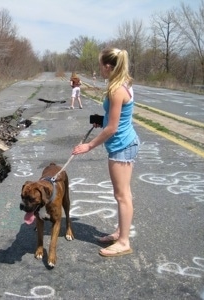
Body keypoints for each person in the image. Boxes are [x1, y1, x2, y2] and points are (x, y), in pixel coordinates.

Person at [72, 48, 140, 257]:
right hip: (125, 143)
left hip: (122, 146)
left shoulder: (116, 89)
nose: (99, 68)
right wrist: (99, 120)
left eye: (101, 65)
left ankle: (123, 242)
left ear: (109, 67)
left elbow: (113, 128)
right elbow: (116, 118)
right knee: (123, 194)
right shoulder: (123, 83)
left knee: (122, 195)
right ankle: (121, 232)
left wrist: (88, 146)